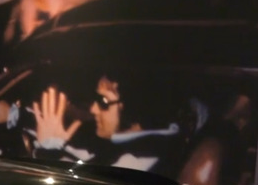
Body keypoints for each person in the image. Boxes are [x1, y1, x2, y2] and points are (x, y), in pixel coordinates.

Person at [28, 74, 183, 175]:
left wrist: (48, 152)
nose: (93, 109)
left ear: (132, 107)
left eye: (103, 102)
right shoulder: (133, 147)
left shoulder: (144, 156)